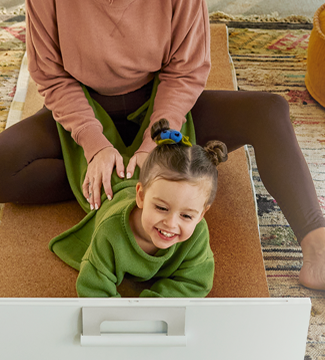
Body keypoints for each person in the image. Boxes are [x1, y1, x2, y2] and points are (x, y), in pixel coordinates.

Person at [0, 0, 325, 322]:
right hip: (86, 105)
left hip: (162, 103)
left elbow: (188, 70)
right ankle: (109, 185)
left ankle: (321, 252)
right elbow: (52, 77)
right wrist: (94, 145)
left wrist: (155, 140)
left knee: (270, 111)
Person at [50, 120, 226, 297]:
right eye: (161, 208)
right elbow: (94, 287)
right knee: (77, 158)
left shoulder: (198, 232)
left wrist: (151, 306)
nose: (171, 224)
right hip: (114, 184)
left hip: (148, 179)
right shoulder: (110, 231)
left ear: (201, 214)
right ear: (140, 196)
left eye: (186, 216)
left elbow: (196, 282)